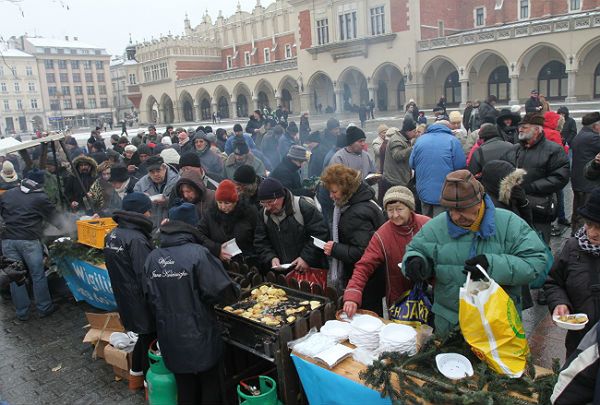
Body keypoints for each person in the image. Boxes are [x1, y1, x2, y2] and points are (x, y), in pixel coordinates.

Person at [402, 170, 547, 336]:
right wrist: (415, 262)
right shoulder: (436, 227)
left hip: (498, 326)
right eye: (450, 209)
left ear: (479, 202)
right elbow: (416, 250)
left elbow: (535, 261)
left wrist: (491, 266)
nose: (455, 216)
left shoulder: (509, 223)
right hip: (450, 324)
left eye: (462, 209)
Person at [144, 203, 239, 404]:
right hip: (200, 332)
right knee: (209, 383)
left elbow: (149, 296)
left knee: (185, 385)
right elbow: (221, 290)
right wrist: (235, 291)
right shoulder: (197, 254)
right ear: (192, 226)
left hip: (169, 334)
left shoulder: (152, 257)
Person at [343, 186, 430, 317]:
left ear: (410, 208)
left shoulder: (427, 225)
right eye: (390, 210)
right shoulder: (382, 235)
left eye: (400, 209)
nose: (395, 215)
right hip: (399, 299)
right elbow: (364, 265)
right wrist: (352, 293)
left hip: (429, 292)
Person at [103, 192, 155, 390]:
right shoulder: (136, 239)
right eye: (148, 210)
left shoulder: (112, 235)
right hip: (139, 298)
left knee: (143, 334)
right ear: (141, 213)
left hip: (124, 296)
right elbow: (145, 275)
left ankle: (136, 375)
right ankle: (149, 382)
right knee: (148, 336)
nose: (151, 214)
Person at [321, 164, 385, 311]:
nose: (331, 196)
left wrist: (335, 249)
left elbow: (364, 252)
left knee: (367, 318)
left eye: (334, 191)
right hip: (374, 277)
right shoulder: (363, 198)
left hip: (367, 280)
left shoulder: (355, 214)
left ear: (345, 188)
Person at [545, 188, 600, 357]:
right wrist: (560, 303)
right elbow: (554, 282)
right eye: (589, 224)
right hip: (579, 342)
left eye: (599, 227)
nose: (592, 233)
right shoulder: (572, 247)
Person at [501, 113, 570, 243]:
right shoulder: (514, 149)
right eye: (520, 127)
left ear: (537, 130)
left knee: (540, 244)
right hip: (515, 208)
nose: (520, 129)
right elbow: (502, 169)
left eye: (525, 127)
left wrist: (531, 187)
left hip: (539, 208)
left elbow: (560, 177)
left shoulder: (553, 150)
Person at [0, 170, 60, 321]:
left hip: (8, 240)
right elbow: (56, 219)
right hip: (28, 241)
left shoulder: (7, 194)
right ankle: (44, 308)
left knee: (14, 275)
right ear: (40, 184)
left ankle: (22, 312)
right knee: (37, 274)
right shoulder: (40, 197)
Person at [254, 178, 328, 272]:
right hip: (282, 272)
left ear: (282, 196)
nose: (268, 207)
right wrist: (271, 258)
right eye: (263, 203)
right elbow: (261, 241)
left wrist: (306, 258)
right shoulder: (263, 214)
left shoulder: (303, 207)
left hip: (309, 269)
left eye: (270, 201)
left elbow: (320, 235)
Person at [410, 123, 466, 218]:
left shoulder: (420, 140)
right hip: (445, 190)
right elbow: (460, 166)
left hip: (423, 189)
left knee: (426, 220)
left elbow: (412, 164)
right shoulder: (453, 140)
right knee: (442, 222)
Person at [198, 180, 258, 264]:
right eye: (220, 202)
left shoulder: (249, 212)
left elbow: (258, 236)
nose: (223, 206)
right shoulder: (210, 214)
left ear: (235, 201)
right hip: (219, 262)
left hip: (247, 262)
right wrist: (217, 249)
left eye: (227, 203)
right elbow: (199, 235)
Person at [569, 112, 600, 234]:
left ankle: (574, 235)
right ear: (595, 126)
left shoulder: (580, 135)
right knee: (586, 214)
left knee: (577, 212)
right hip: (589, 183)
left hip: (578, 181)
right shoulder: (594, 137)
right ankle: (580, 237)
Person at [133, 156, 180, 228]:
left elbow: (183, 202)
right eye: (152, 172)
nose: (155, 174)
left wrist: (167, 201)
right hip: (150, 226)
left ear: (164, 168)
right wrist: (142, 198)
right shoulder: (141, 183)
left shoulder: (177, 181)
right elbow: (133, 201)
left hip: (171, 226)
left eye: (158, 171)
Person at [381, 123, 416, 204]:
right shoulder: (396, 140)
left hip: (400, 177)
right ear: (408, 131)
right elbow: (397, 156)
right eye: (414, 131)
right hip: (395, 179)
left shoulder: (403, 138)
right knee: (397, 203)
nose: (415, 134)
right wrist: (412, 148)